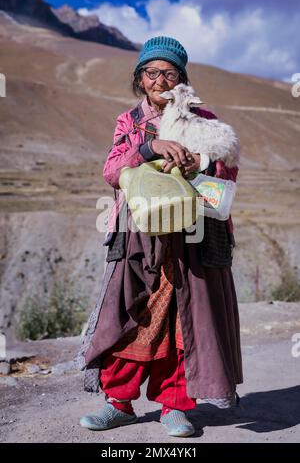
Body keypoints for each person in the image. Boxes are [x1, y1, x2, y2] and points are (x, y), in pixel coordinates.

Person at [76, 36, 243, 438]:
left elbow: (228, 171)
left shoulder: (204, 119)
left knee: (184, 320)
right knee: (132, 315)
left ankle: (174, 407)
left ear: (181, 79)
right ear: (140, 77)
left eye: (169, 73)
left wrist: (198, 161)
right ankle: (119, 402)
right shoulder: (129, 122)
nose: (160, 80)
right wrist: (151, 146)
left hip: (194, 234)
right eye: (152, 72)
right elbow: (112, 171)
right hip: (139, 233)